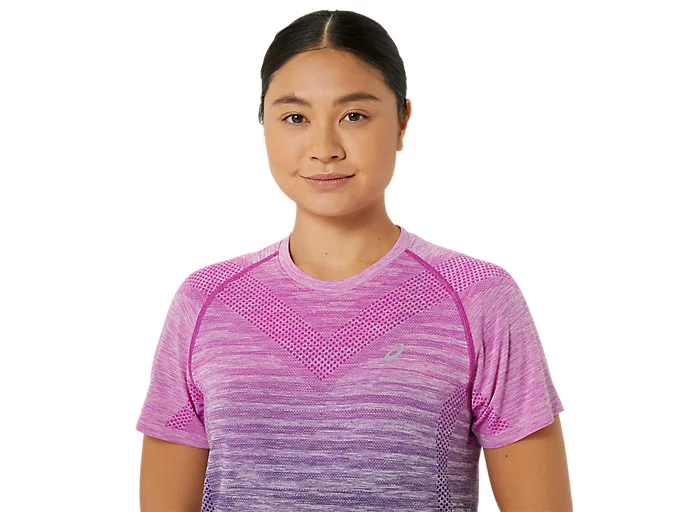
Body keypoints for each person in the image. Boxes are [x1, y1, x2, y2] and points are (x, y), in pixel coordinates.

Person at [136, 9, 572, 512]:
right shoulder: (204, 303)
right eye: (295, 117)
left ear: (403, 122)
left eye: (354, 116)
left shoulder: (480, 298)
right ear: (264, 126)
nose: (324, 149)